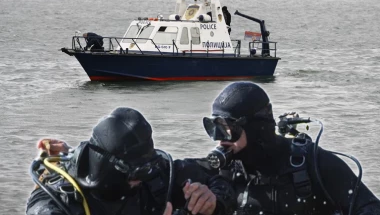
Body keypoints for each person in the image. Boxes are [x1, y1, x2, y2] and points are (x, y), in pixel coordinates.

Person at [201, 81, 380, 215]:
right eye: (216, 131)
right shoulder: (221, 173)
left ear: (256, 130)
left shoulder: (313, 164)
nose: (221, 142)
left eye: (231, 132)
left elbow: (370, 208)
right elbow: (177, 174)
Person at [26, 107, 236, 215]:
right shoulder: (54, 203)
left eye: (147, 168)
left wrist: (213, 200)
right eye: (137, 173)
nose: (143, 178)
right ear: (110, 169)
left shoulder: (151, 175)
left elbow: (215, 175)